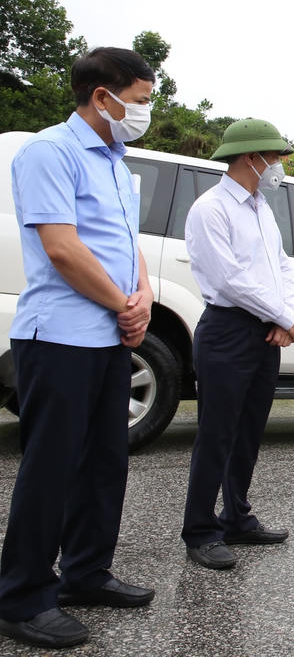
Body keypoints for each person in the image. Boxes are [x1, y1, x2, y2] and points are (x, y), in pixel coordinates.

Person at [0, 48, 157, 649]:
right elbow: (63, 249)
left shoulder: (118, 163)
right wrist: (124, 305)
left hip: (110, 338)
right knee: (51, 468)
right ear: (102, 97)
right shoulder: (49, 153)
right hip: (60, 337)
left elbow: (126, 244)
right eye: (139, 101)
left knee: (103, 463)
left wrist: (141, 294)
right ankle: (21, 598)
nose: (144, 112)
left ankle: (85, 573)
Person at [181, 119, 294, 570]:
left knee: (249, 431)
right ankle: (199, 530)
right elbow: (228, 280)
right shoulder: (210, 209)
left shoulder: (261, 208)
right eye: (273, 157)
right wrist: (285, 316)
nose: (278, 166)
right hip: (228, 331)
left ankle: (236, 517)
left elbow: (282, 268)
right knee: (217, 434)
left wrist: (284, 317)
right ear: (249, 157)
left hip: (264, 331)